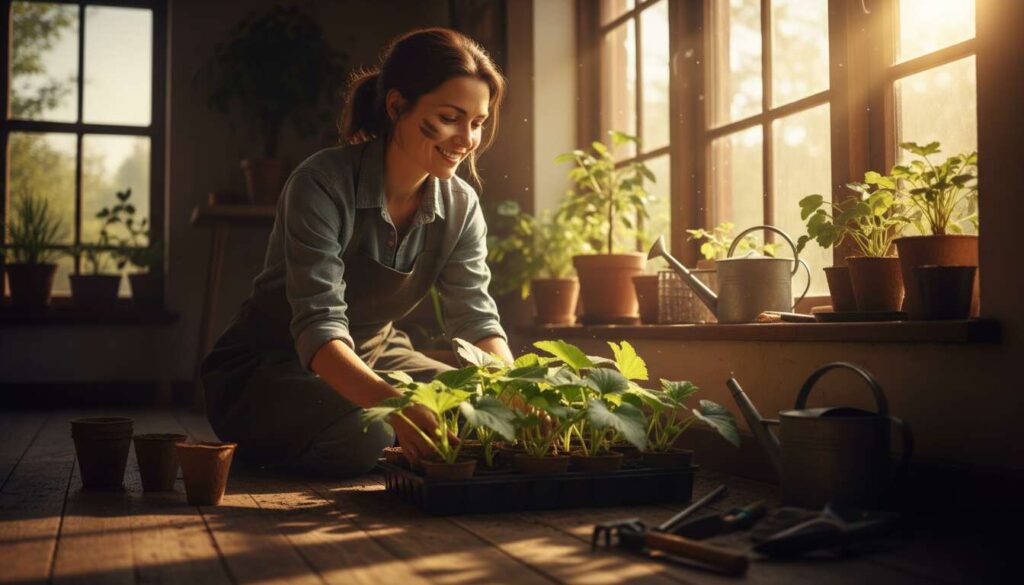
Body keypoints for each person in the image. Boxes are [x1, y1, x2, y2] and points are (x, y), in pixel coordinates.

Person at [200, 28, 513, 477]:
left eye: (478, 123)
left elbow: (476, 319)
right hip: (271, 368)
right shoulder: (321, 184)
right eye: (450, 117)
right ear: (396, 106)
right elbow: (319, 327)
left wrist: (514, 390)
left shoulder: (460, 206)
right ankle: (267, 447)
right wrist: (396, 409)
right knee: (369, 433)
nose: (466, 139)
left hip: (378, 358)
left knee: (476, 413)